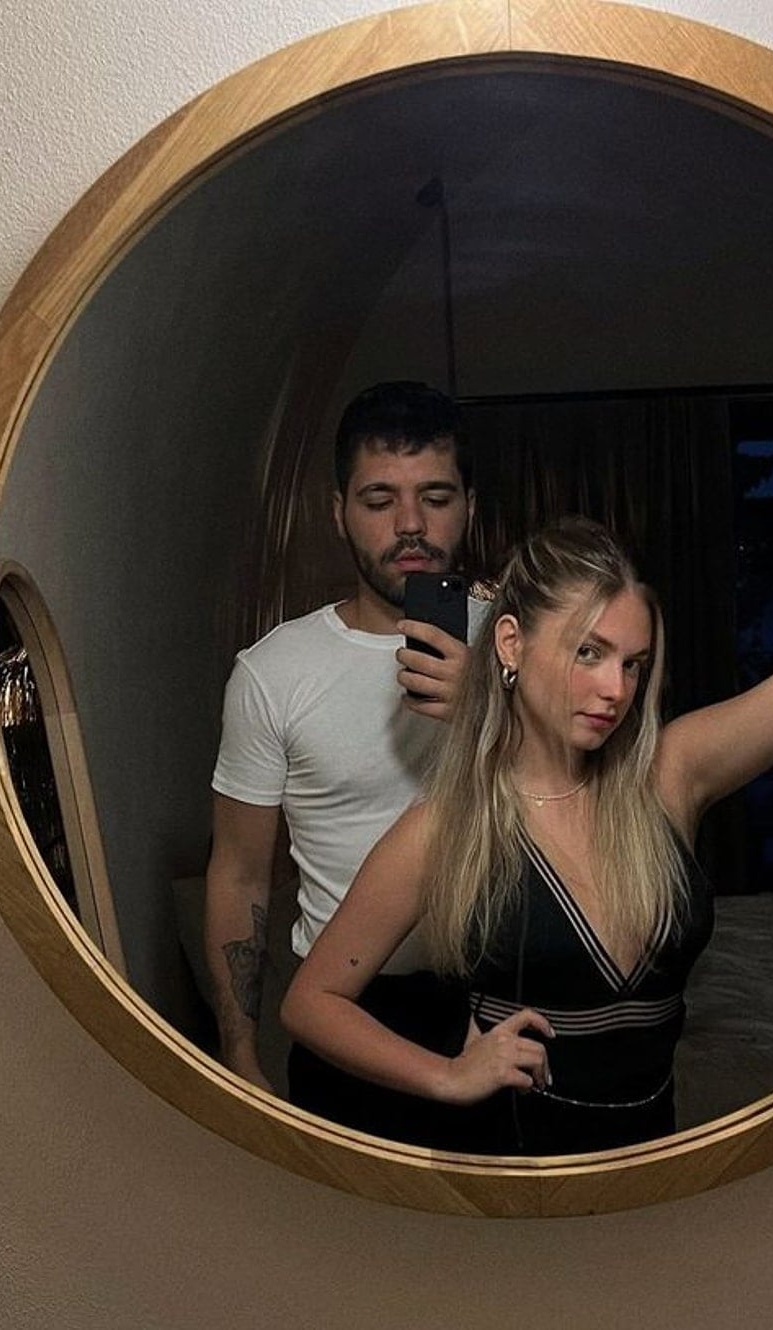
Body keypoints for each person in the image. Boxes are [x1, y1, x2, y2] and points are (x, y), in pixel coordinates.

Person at [280, 472, 773, 1155]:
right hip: (516, 1166)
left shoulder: (668, 776)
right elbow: (313, 1001)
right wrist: (446, 1074)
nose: (615, 689)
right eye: (588, 653)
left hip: (656, 1156)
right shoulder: (448, 827)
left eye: (633, 664)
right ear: (509, 644)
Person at [205, 381, 483, 1142]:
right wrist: (239, 1050)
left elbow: (598, 805)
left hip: (503, 990)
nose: (410, 524)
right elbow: (239, 873)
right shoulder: (274, 673)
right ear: (338, 513)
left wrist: (493, 703)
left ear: (468, 505)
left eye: (435, 497)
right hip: (346, 1008)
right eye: (378, 500)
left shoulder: (521, 644)